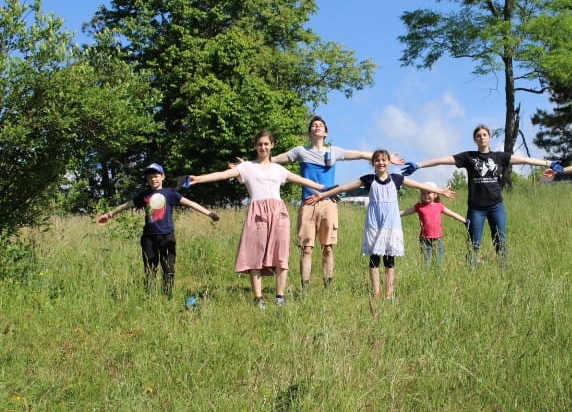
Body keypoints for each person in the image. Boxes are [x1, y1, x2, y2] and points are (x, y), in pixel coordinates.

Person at [189, 130, 325, 308]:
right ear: (256, 146)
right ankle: (258, 298)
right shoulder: (246, 167)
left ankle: (280, 296)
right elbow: (222, 174)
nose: (263, 147)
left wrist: (324, 188)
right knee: (254, 254)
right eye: (260, 144)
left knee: (281, 254)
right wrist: (198, 179)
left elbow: (301, 180)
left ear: (272, 145)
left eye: (266, 144)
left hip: (278, 213)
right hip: (257, 213)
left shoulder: (279, 169)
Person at [269, 116, 404, 289]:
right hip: (308, 203)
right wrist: (256, 163)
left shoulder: (333, 151)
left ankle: (328, 286)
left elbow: (358, 154)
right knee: (306, 248)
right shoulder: (300, 151)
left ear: (326, 132)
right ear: (309, 132)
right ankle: (305, 287)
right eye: (314, 125)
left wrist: (383, 158)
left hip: (329, 203)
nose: (317, 126)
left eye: (320, 125)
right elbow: (277, 159)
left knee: (328, 247)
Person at [402, 124, 564, 267]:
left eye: (484, 135)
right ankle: (472, 268)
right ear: (475, 139)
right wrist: (418, 165)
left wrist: (549, 163)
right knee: (474, 242)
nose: (481, 137)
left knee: (500, 239)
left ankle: (503, 266)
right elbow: (443, 160)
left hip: (496, 206)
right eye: (478, 135)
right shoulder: (468, 157)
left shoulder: (499, 157)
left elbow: (526, 160)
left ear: (489, 137)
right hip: (476, 208)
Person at [306, 150, 456, 300]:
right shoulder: (368, 180)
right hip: (374, 224)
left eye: (384, 159)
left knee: (390, 260)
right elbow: (344, 188)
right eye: (377, 160)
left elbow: (418, 185)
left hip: (391, 224)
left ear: (389, 162)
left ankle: (389, 292)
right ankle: (376, 292)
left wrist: (440, 191)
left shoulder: (397, 178)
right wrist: (322, 195)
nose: (381, 162)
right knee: (375, 259)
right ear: (373, 163)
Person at [97, 163, 220, 297]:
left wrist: (209, 213)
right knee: (150, 268)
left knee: (168, 268)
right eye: (150, 177)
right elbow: (126, 205)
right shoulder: (145, 195)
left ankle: (167, 296)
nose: (153, 179)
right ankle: (150, 296)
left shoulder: (170, 193)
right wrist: (109, 215)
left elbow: (190, 203)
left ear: (162, 177)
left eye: (156, 176)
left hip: (167, 236)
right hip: (148, 238)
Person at [400, 182, 466, 268]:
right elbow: (405, 212)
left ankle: (437, 275)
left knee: (438, 262)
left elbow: (452, 214)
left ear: (435, 195)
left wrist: (464, 220)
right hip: (424, 239)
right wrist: (392, 215)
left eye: (429, 193)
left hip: (438, 239)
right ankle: (426, 276)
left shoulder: (439, 206)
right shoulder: (419, 207)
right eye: (423, 193)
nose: (426, 195)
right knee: (425, 262)